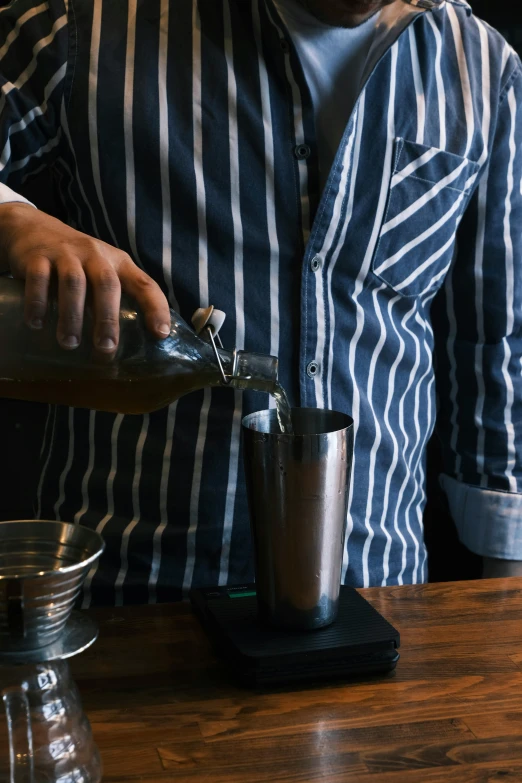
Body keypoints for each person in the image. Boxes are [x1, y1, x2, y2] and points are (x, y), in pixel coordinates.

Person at [0, 0, 521, 605]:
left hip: (382, 597)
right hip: (135, 598)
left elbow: (499, 350)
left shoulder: (481, 67)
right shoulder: (80, 23)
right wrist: (15, 223)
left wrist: (502, 610)